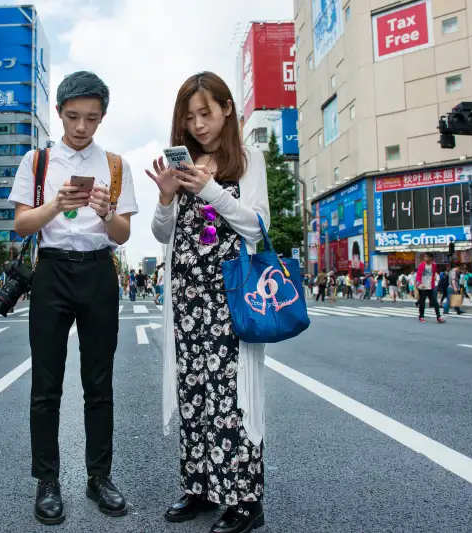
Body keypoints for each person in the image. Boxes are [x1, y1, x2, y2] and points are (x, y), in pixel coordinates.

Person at [9, 71, 138, 525]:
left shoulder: (116, 164)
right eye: (73, 116)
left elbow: (123, 234)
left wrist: (104, 212)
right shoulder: (38, 161)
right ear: (59, 113)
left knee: (98, 385)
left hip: (99, 271)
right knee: (46, 385)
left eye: (92, 118)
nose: (82, 127)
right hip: (52, 272)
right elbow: (24, 224)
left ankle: (98, 477)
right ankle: (48, 481)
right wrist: (57, 205)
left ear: (102, 117)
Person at [149, 72, 268, 533]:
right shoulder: (183, 164)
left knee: (231, 396)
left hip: (231, 296)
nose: (199, 125)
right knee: (194, 392)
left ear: (227, 110)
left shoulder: (248, 159)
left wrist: (210, 191)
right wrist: (166, 197)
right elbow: (164, 235)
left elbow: (257, 225)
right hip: (186, 297)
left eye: (207, 113)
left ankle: (245, 500)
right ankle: (199, 486)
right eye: (190, 116)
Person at [416, 252, 445, 323]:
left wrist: (433, 279)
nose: (425, 258)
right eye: (424, 257)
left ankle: (439, 317)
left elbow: (434, 273)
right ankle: (421, 316)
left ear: (430, 258)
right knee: (422, 302)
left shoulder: (434, 265)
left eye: (426, 257)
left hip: (430, 286)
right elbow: (418, 275)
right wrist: (420, 283)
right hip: (422, 287)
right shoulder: (422, 265)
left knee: (435, 302)